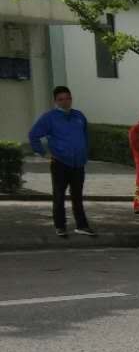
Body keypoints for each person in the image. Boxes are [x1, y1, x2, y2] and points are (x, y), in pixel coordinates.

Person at [28, 85, 95, 238]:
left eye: (68, 98)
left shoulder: (79, 116)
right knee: (59, 196)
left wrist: (85, 154)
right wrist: (42, 152)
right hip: (60, 163)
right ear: (56, 101)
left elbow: (86, 136)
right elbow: (33, 135)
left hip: (78, 163)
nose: (65, 102)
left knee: (77, 196)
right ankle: (60, 226)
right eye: (61, 99)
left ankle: (82, 226)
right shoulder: (49, 117)